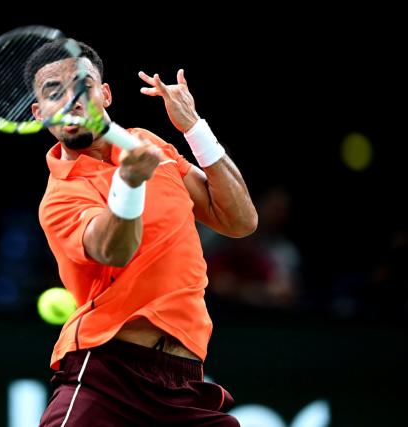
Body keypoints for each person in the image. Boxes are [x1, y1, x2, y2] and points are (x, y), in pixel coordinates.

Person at [27, 39, 257, 427]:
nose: (71, 100)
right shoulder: (61, 197)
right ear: (38, 114)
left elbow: (239, 220)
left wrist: (194, 128)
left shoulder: (150, 144)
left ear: (106, 94)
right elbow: (113, 248)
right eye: (54, 93)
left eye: (82, 87)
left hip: (183, 383)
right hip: (107, 375)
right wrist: (129, 184)